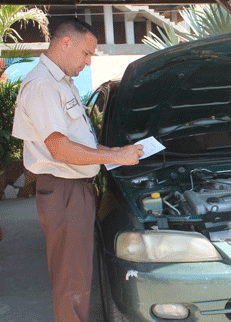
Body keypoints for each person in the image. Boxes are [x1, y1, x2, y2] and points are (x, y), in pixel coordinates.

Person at [11, 18, 144, 322]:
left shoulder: (60, 83)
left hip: (74, 189)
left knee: (78, 277)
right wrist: (118, 157)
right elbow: (59, 148)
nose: (88, 61)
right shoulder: (43, 85)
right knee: (71, 282)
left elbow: (78, 140)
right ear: (65, 43)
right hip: (64, 190)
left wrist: (113, 152)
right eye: (86, 53)